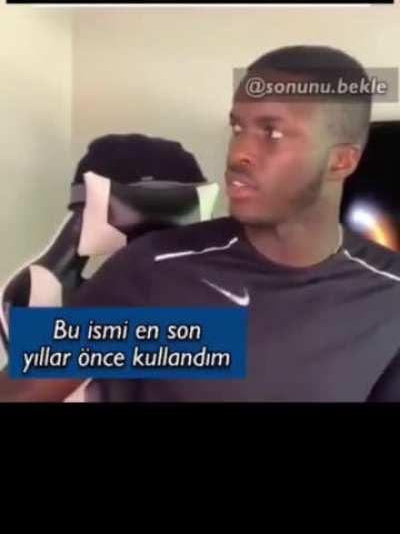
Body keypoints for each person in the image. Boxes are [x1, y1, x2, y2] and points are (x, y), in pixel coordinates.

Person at [2, 45, 400, 402]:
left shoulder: (388, 297)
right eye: (237, 128)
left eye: (272, 132)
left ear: (341, 161)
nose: (239, 153)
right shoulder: (158, 271)